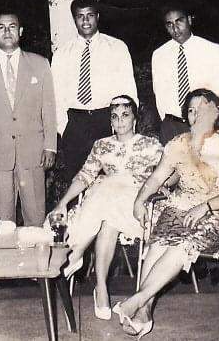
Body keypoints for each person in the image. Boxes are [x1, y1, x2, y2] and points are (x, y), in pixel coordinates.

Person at [112, 89, 219, 339]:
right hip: (181, 208)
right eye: (191, 110)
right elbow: (157, 177)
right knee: (157, 244)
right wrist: (139, 200)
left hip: (218, 215)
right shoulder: (179, 144)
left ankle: (137, 299)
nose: (196, 115)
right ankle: (144, 312)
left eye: (201, 110)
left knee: (182, 245)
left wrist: (206, 207)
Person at [50, 95, 163, 320]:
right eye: (114, 116)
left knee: (107, 187)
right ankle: (101, 287)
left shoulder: (150, 145)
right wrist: (62, 203)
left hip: (136, 206)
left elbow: (167, 173)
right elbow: (84, 176)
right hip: (107, 207)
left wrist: (159, 187)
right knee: (108, 217)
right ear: (110, 121)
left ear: (135, 119)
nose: (120, 121)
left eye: (125, 115)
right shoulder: (101, 145)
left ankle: (77, 252)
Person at [0, 11, 57, 226]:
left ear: (21, 31)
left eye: (12, 26)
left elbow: (49, 109)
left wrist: (50, 146)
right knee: (2, 222)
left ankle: (37, 250)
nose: (7, 31)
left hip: (33, 154)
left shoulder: (40, 64)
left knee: (35, 218)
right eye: (1, 27)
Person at [51, 0, 138, 184]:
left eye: (90, 15)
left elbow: (128, 90)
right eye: (80, 16)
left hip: (106, 120)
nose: (85, 21)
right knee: (77, 181)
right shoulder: (62, 54)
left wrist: (123, 127)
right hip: (75, 123)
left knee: (111, 182)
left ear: (97, 16)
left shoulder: (116, 48)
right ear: (74, 19)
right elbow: (55, 95)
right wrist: (64, 128)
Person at [152, 6, 219, 144]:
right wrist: (168, 121)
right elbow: (159, 94)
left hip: (203, 124)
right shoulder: (159, 55)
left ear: (189, 20)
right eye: (169, 24)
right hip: (171, 126)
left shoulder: (211, 50)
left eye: (179, 21)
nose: (175, 28)